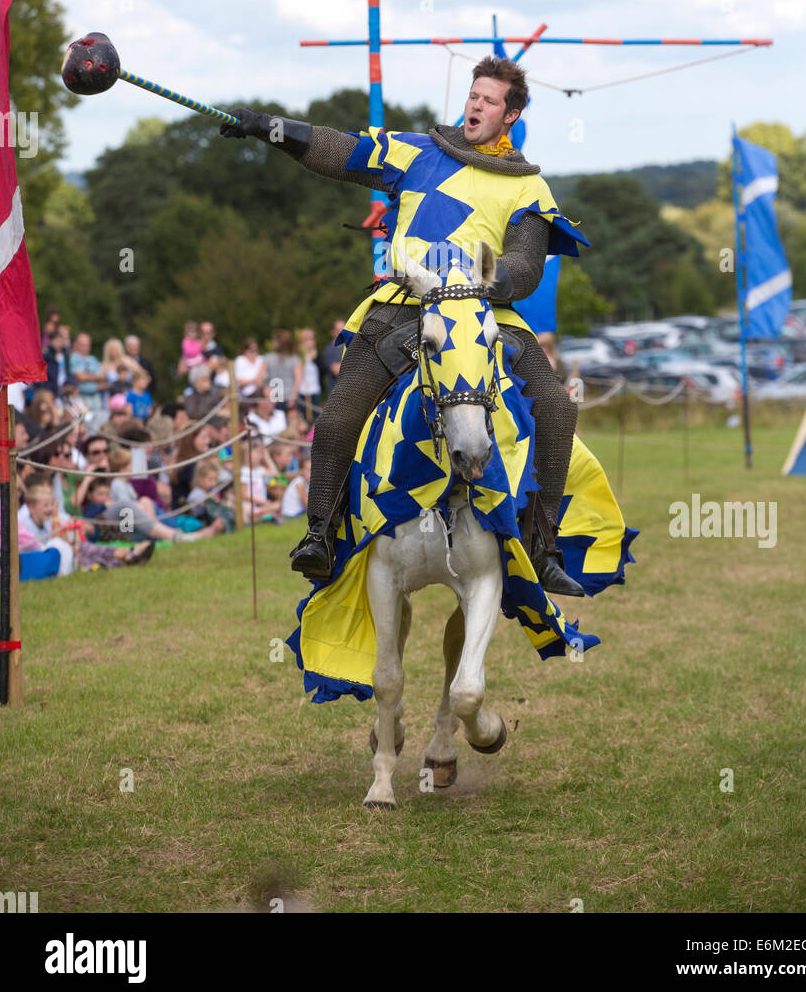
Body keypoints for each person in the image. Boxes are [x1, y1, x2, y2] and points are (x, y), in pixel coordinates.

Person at [221, 55, 585, 592]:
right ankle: (319, 533)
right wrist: (267, 127)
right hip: (402, 308)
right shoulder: (419, 151)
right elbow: (341, 150)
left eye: (489, 100)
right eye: (473, 95)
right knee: (341, 415)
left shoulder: (528, 189)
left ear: (511, 115)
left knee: (556, 407)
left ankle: (544, 546)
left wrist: (474, 277)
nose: (475, 105)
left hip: (483, 314)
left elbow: (526, 267)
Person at [264, 329, 303, 410]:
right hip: (283, 398)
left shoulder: (267, 358)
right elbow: (298, 380)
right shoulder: (295, 359)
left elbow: (298, 380)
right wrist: (293, 397)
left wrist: (266, 391)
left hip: (279, 398)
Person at [69, 332, 105, 413]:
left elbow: (102, 378)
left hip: (96, 398)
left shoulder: (93, 359)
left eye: (87, 345)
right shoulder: (73, 358)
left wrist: (87, 376)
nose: (85, 347)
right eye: (83, 344)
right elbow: (80, 376)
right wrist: (96, 377)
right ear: (76, 344)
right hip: (80, 397)